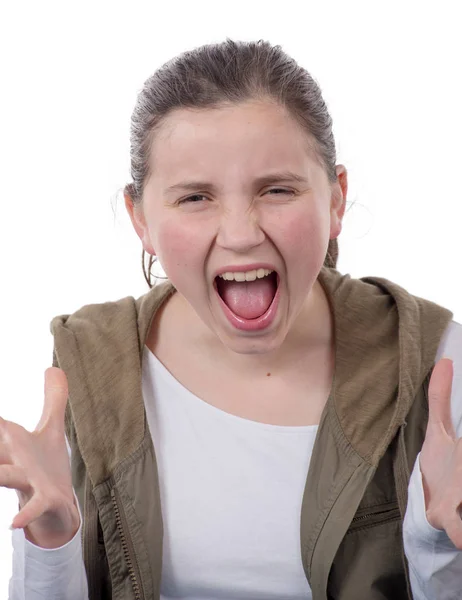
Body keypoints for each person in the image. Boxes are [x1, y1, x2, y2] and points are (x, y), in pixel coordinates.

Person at [3, 38, 462, 600]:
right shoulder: (90, 367)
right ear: (140, 217)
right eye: (195, 198)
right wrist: (50, 539)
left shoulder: (436, 369)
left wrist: (441, 547)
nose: (242, 234)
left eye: (277, 189)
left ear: (336, 199)